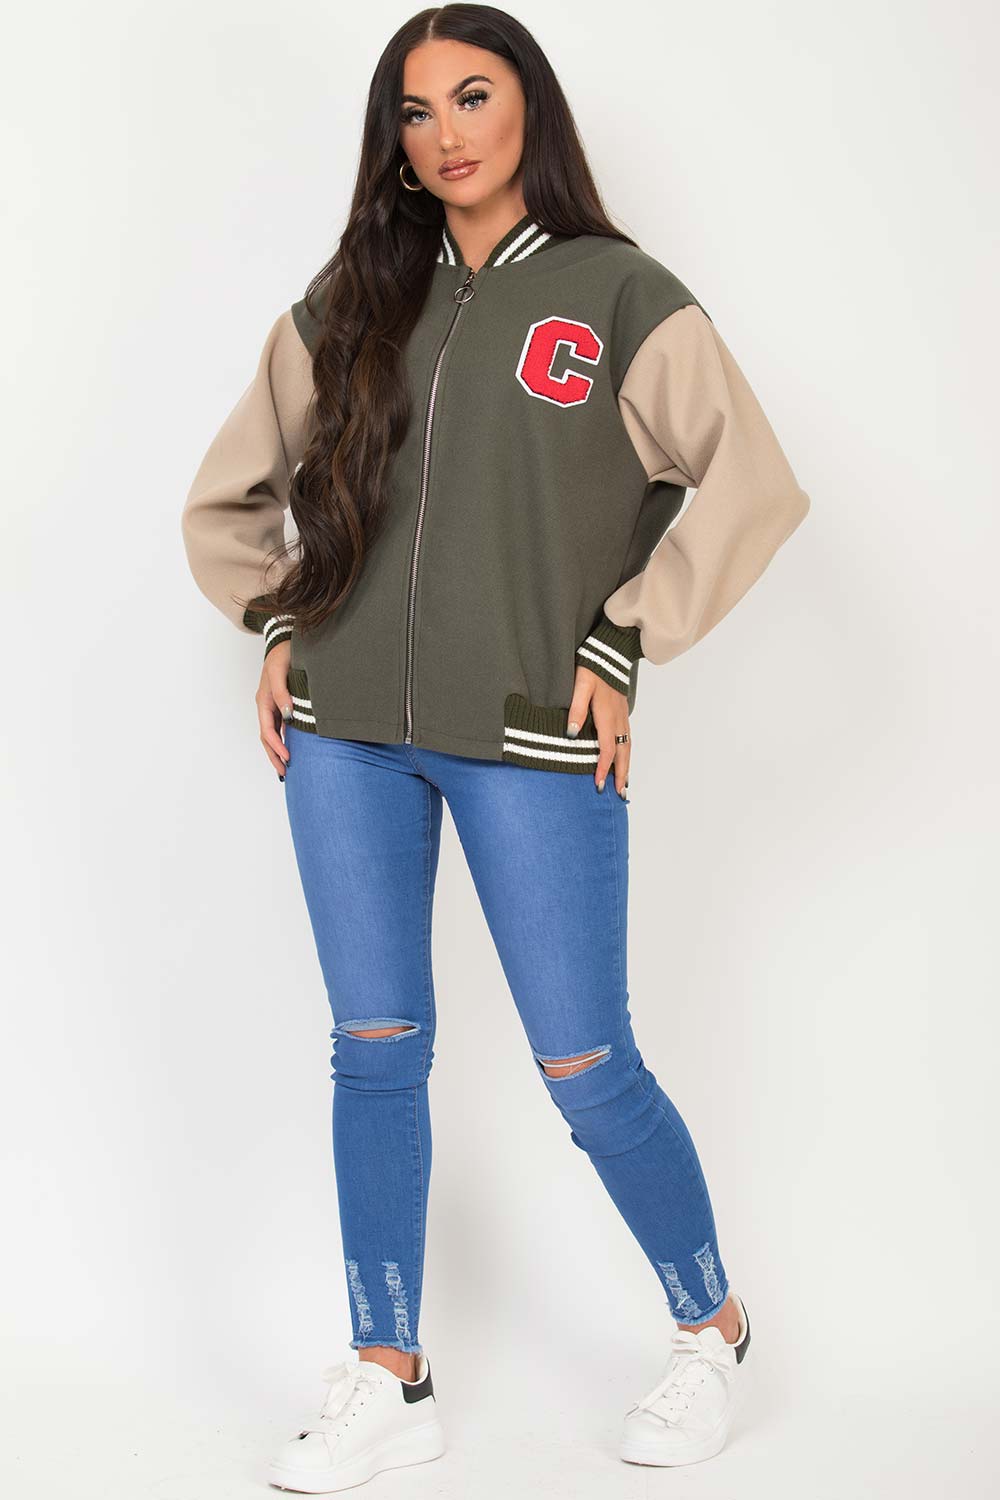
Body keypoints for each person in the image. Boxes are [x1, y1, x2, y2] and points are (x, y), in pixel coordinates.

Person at [181, 5, 809, 1489]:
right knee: (375, 1051)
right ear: (393, 141)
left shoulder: (619, 295)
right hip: (344, 737)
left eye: (474, 95)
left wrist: (624, 638)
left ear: (531, 107)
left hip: (531, 734)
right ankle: (388, 1374)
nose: (447, 132)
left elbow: (751, 483)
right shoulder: (355, 298)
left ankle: (710, 1329)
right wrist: (283, 621)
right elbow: (232, 494)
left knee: (586, 1061)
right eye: (416, 111)